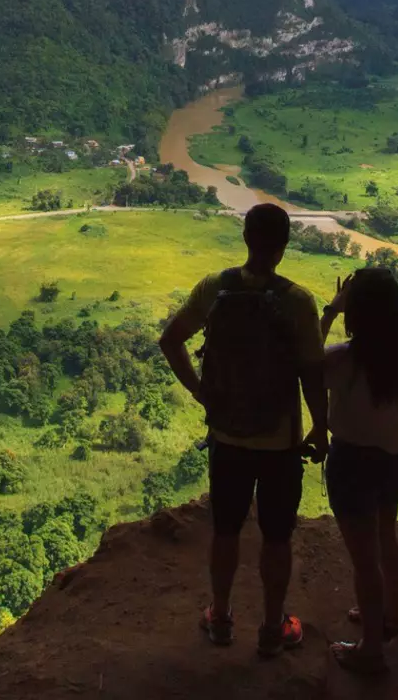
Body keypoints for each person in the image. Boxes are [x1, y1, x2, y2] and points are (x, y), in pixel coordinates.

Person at [160, 201, 328, 658]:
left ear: (246, 239)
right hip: (280, 443)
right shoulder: (297, 301)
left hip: (228, 437)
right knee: (277, 537)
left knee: (226, 531)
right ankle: (272, 629)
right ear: (284, 246)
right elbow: (312, 373)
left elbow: (170, 340)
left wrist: (200, 392)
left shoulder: (215, 288)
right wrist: (321, 428)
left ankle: (220, 617)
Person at [319, 266, 398, 674]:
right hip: (396, 461)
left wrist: (330, 312)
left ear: (354, 314)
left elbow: (305, 362)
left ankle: (371, 650)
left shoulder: (341, 360)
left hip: (351, 464)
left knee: (363, 560)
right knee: (386, 535)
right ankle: (389, 616)